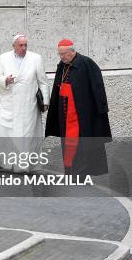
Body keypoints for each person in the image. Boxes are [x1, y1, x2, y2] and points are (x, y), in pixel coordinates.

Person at [45, 39, 112, 176]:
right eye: (60, 54)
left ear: (72, 51)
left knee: (81, 145)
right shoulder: (62, 66)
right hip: (65, 113)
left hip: (81, 114)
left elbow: (98, 87)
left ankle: (81, 174)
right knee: (68, 144)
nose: (62, 57)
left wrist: (101, 109)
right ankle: (70, 172)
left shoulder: (87, 63)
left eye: (64, 54)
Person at [0, 35, 50, 173]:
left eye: (25, 45)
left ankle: (23, 166)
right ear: (14, 46)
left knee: (25, 135)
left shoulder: (36, 58)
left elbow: (43, 81)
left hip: (28, 104)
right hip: (8, 104)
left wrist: (46, 101)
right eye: (21, 45)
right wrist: (5, 80)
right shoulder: (3, 58)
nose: (24, 48)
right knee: (1, 131)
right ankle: (1, 163)